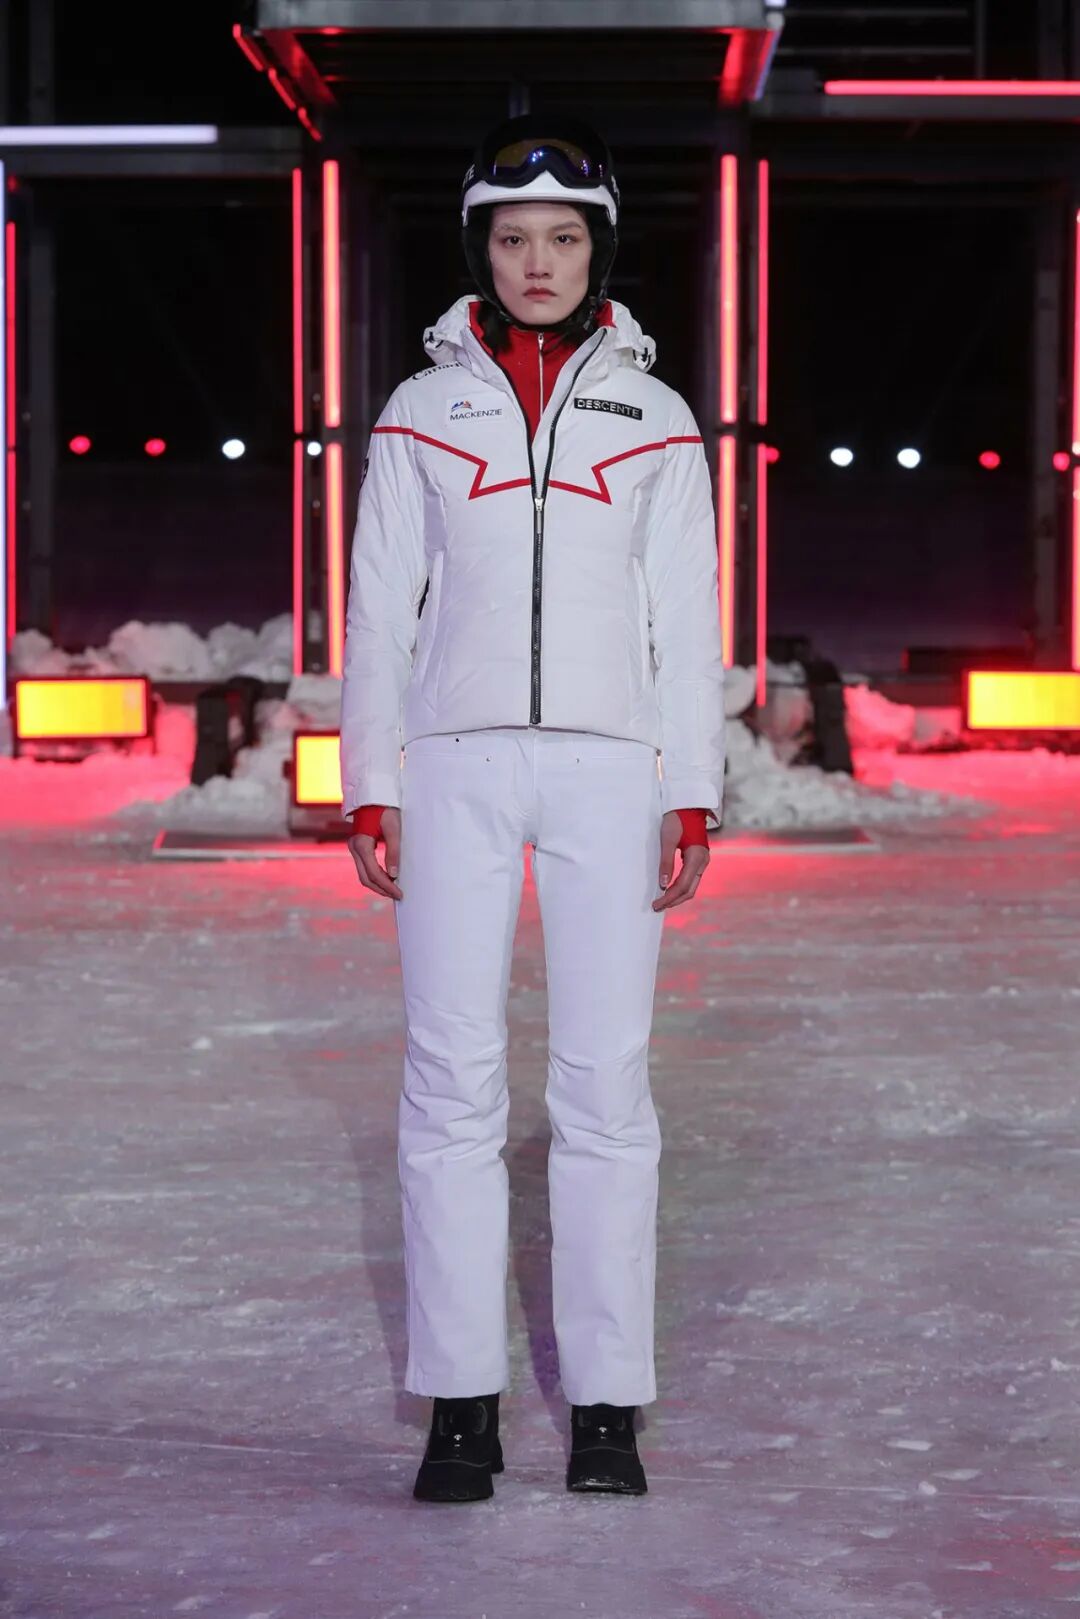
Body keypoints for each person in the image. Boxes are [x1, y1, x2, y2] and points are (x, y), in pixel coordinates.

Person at [339, 113, 726, 1502]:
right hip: (454, 764)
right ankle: (462, 1404)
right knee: (449, 1082)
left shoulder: (658, 420)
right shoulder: (417, 411)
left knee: (605, 1086)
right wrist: (370, 781)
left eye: (564, 237)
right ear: (480, 251)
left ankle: (608, 1404)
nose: (539, 261)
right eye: (513, 238)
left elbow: (688, 618)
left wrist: (694, 789)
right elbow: (378, 611)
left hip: (610, 769)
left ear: (599, 249)